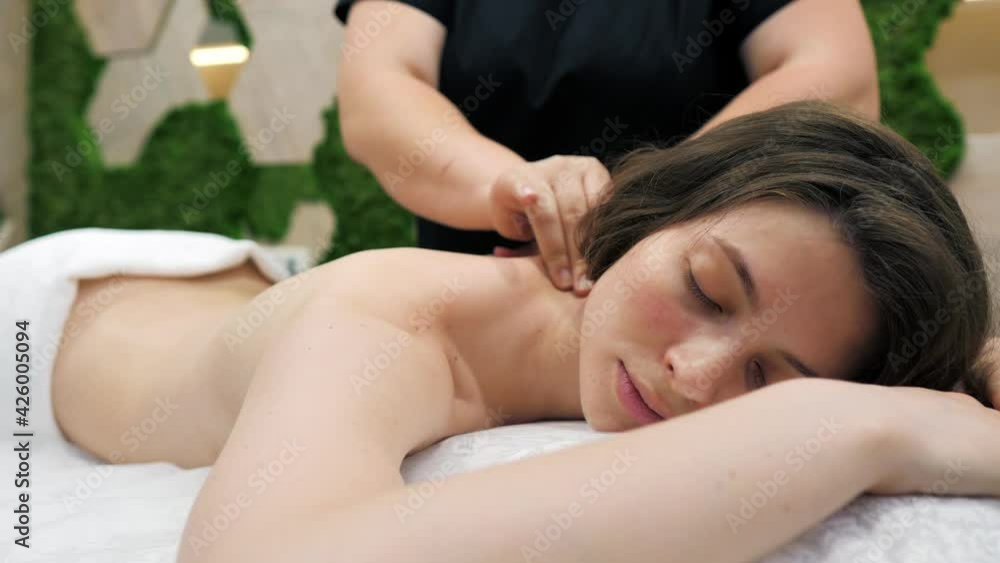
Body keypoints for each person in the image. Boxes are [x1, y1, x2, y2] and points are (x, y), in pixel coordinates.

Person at [10, 102, 998, 562]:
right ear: (646, 217)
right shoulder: (392, 320)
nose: (695, 374)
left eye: (767, 380)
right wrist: (862, 428)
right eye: (704, 285)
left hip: (242, 281)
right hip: (52, 304)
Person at [334, 0, 880, 296]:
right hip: (475, 304)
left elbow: (836, 76)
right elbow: (377, 90)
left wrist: (638, 207)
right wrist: (530, 196)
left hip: (688, 307)